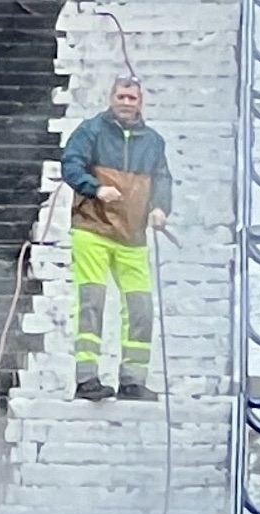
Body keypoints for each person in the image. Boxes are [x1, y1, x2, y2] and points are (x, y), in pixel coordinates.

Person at [61, 74, 173, 403]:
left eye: (132, 98)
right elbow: (71, 164)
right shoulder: (91, 131)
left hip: (132, 235)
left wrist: (160, 208)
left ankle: (132, 380)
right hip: (93, 229)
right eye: (121, 97)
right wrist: (94, 188)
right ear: (111, 98)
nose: (126, 103)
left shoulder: (153, 142)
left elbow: (163, 178)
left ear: (141, 102)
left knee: (140, 308)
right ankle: (86, 379)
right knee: (91, 303)